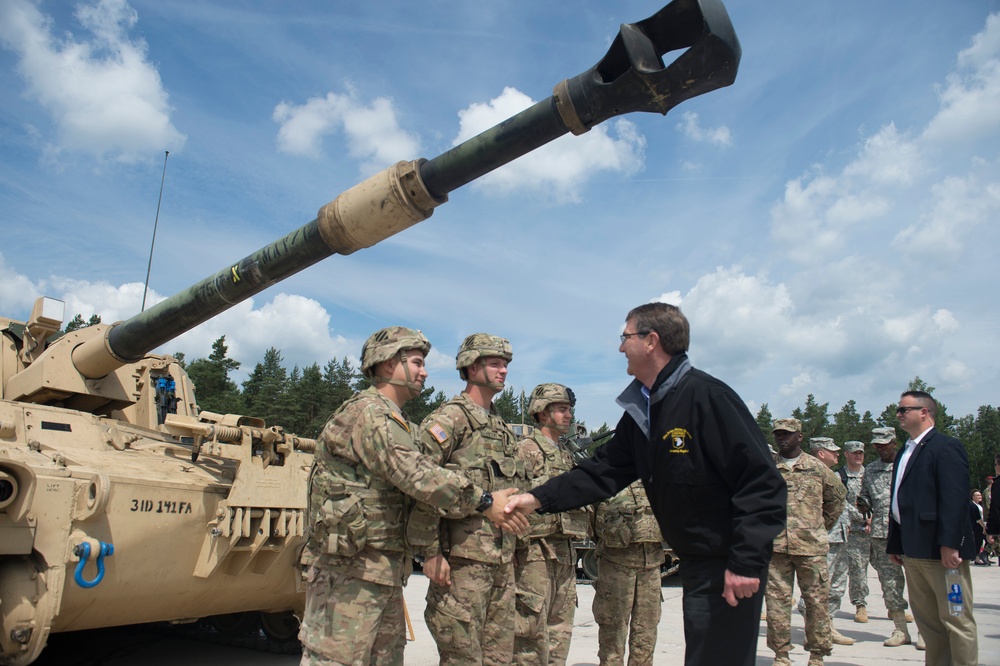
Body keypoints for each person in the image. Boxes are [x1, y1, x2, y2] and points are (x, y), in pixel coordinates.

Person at [504, 302, 787, 666]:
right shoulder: (645, 410)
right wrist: (536, 498)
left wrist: (747, 560)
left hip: (728, 563)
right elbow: (601, 471)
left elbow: (762, 483)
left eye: (626, 337)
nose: (621, 346)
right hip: (699, 562)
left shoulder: (707, 397)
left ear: (651, 340)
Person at [298, 327, 527, 666]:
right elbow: (418, 475)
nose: (425, 372)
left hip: (381, 569)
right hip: (349, 573)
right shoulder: (369, 414)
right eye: (417, 362)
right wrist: (484, 501)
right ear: (389, 364)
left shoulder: (397, 420)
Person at [408, 333, 527, 665]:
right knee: (462, 657)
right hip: (460, 565)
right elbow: (421, 485)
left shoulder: (501, 429)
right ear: (472, 367)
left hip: (501, 563)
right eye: (495, 364)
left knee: (499, 657)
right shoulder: (450, 420)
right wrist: (429, 552)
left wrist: (515, 547)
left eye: (505, 364)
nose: (503, 371)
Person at [887, 390, 978, 665]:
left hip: (941, 553)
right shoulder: (906, 449)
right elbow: (900, 500)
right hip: (914, 551)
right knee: (929, 623)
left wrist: (950, 543)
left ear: (924, 412)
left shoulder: (945, 447)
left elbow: (955, 499)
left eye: (904, 409)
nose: (899, 414)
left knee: (956, 618)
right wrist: (896, 543)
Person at [513, 383, 591, 665]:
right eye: (561, 409)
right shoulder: (523, 450)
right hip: (534, 551)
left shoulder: (565, 456)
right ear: (542, 413)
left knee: (560, 628)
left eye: (569, 409)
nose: (568, 415)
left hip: (565, 552)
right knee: (530, 629)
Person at [766, 423, 846, 666]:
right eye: (778, 435)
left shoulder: (817, 468)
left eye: (787, 435)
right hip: (777, 548)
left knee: (816, 604)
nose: (783, 439)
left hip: (811, 549)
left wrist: (818, 527)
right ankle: (781, 655)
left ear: (799, 436)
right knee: (777, 605)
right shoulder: (769, 468)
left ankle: (817, 655)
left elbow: (837, 498)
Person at [592, 481, 665, 666]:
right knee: (613, 630)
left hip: (651, 565)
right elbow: (592, 520)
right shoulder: (611, 476)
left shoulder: (656, 477)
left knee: (646, 631)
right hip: (616, 565)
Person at [857, 426, 912, 648]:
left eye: (884, 443)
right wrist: (862, 504)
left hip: (910, 533)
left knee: (919, 583)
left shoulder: (908, 465)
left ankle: (927, 631)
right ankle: (900, 629)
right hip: (882, 535)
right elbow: (865, 497)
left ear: (894, 443)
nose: (880, 447)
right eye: (876, 444)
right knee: (890, 583)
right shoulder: (870, 469)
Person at [808, 437, 855, 646]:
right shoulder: (810, 474)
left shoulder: (831, 475)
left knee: (836, 585)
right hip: (825, 538)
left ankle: (827, 625)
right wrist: (823, 527)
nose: (837, 454)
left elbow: (841, 502)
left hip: (840, 536)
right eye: (832, 451)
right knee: (819, 587)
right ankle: (818, 628)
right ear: (820, 453)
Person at [839, 440, 871, 624]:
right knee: (858, 570)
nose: (858, 456)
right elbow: (841, 502)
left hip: (877, 529)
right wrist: (862, 517)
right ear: (846, 454)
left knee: (890, 571)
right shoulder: (840, 476)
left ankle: (895, 607)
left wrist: (873, 517)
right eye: (854, 453)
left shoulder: (871, 474)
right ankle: (861, 605)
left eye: (860, 453)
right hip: (855, 531)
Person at [970, 490, 988, 566]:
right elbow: (978, 519)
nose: (979, 497)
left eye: (980, 495)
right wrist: (984, 527)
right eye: (977, 495)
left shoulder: (979, 505)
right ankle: (977, 558)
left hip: (980, 526)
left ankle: (984, 556)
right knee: (978, 542)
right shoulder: (973, 506)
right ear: (972, 497)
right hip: (977, 527)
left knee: (984, 541)